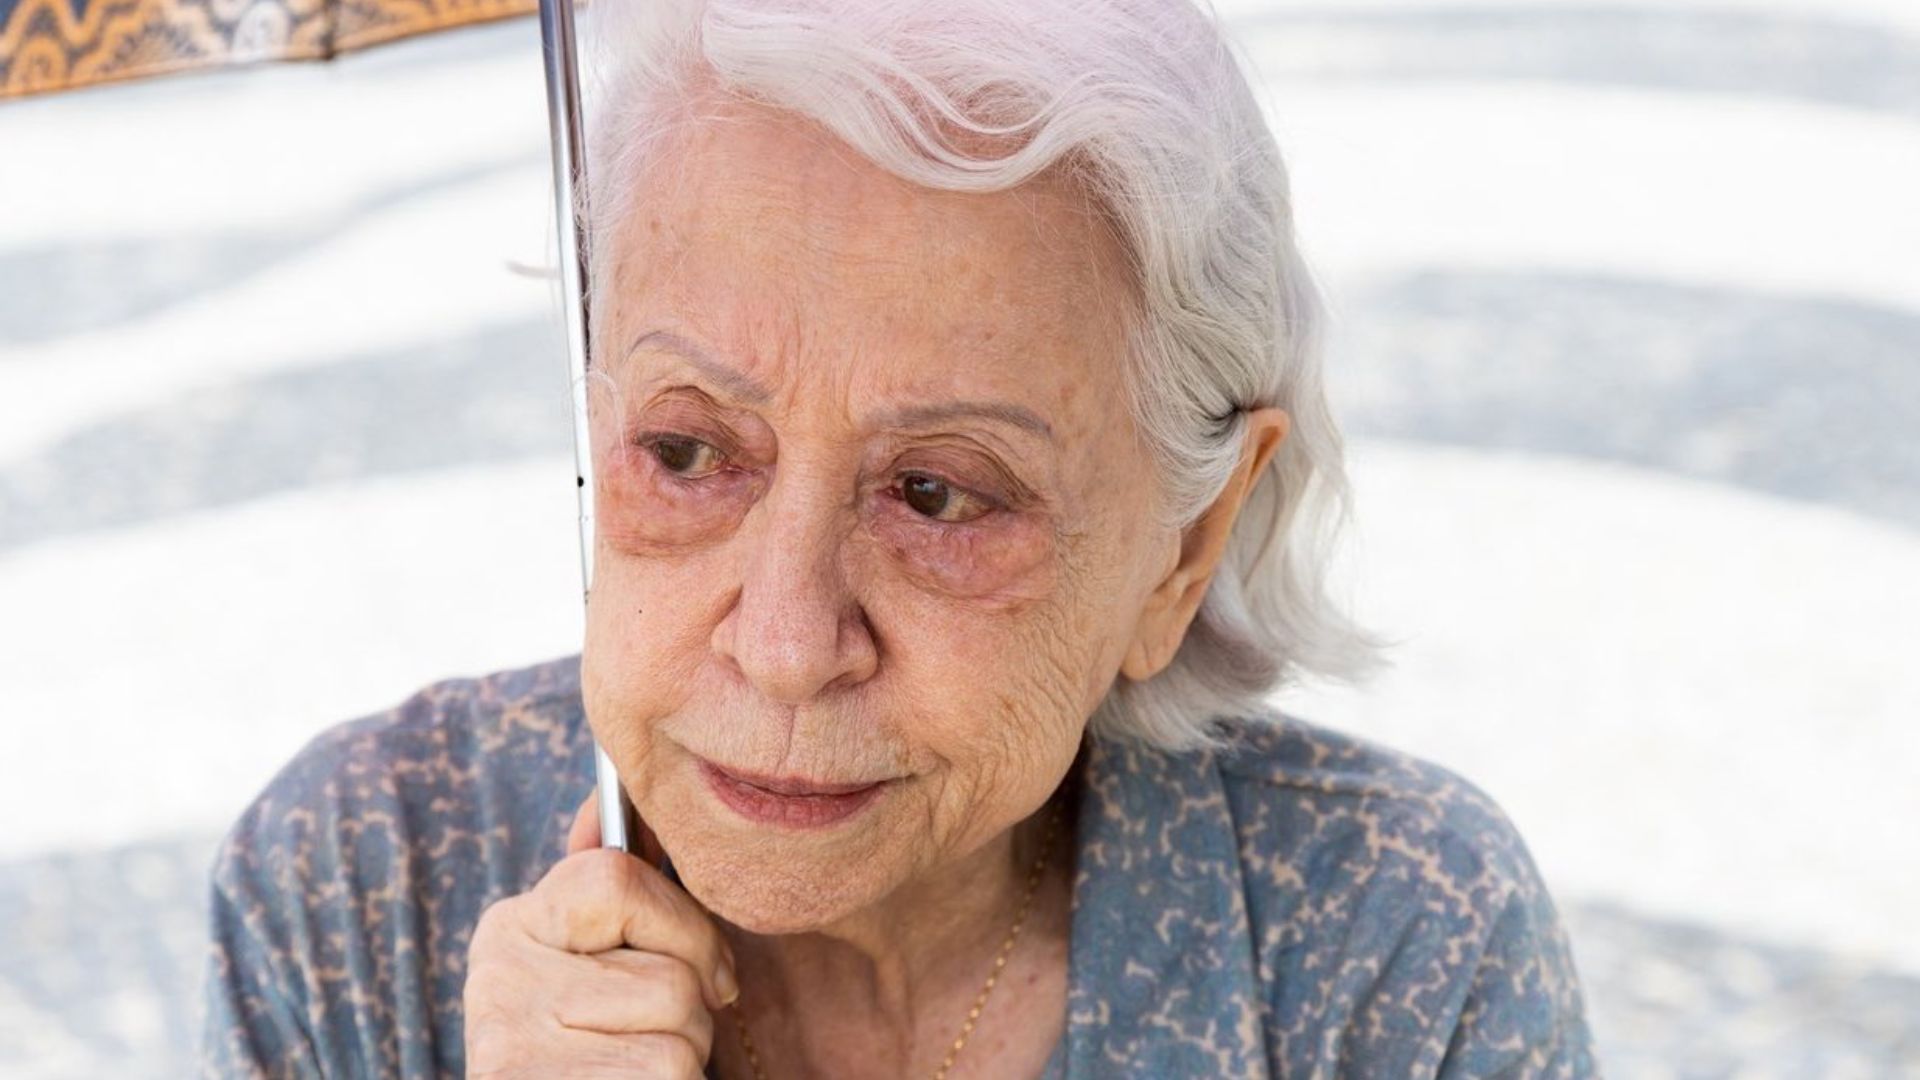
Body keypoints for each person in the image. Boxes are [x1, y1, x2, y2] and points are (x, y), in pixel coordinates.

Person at [198, 0, 1596, 1075]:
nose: (787, 645)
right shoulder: (361, 888)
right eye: (688, 452)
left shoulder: (1386, 942)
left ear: (1184, 547)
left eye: (937, 494)